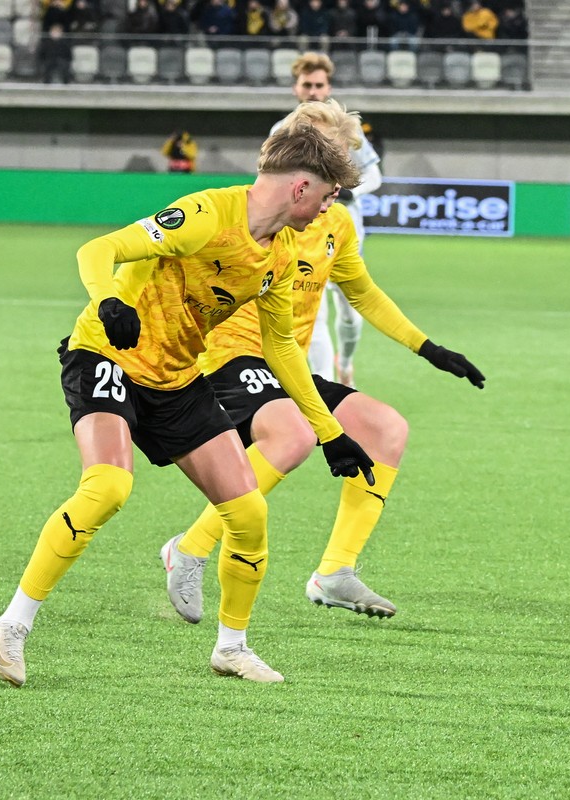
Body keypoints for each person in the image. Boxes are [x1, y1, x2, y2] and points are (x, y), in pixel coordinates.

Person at [0, 121, 373, 687]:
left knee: (248, 513)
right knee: (109, 487)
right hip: (108, 353)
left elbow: (282, 347)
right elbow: (101, 248)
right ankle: (12, 625)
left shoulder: (281, 254)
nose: (328, 209)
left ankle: (231, 648)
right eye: (329, 195)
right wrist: (110, 299)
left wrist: (329, 432)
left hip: (177, 377)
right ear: (301, 187)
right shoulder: (207, 215)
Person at [161, 101, 484, 624]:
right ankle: (191, 549)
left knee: (387, 429)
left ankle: (334, 573)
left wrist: (429, 348)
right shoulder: (250, 213)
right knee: (292, 437)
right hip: (224, 357)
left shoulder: (335, 224)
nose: (339, 174)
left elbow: (364, 293)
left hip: (282, 363)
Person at [279, 52, 384, 389]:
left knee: (351, 315)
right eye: (306, 84)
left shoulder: (344, 130)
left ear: (328, 87)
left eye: (318, 85)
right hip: (303, 233)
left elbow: (375, 175)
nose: (312, 91)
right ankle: (325, 390)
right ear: (296, 88)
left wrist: (349, 192)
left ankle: (347, 363)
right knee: (316, 311)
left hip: (344, 232)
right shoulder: (281, 131)